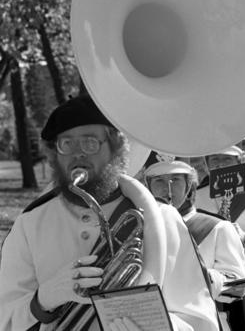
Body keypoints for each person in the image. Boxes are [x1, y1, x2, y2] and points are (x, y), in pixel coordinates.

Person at [0, 94, 220, 331]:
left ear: (117, 149)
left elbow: (200, 320)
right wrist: (44, 299)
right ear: (55, 155)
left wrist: (161, 326)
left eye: (90, 142)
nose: (78, 153)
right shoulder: (30, 224)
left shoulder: (163, 219)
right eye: (67, 144)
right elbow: (7, 319)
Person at [143, 159, 245, 331]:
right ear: (148, 187)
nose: (167, 188)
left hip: (200, 324)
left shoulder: (217, 227)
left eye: (176, 180)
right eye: (159, 180)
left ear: (190, 187)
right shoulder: (141, 227)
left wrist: (199, 275)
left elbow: (240, 286)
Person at [196, 146, 245, 331]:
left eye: (226, 159)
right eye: (214, 159)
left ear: (241, 162)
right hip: (208, 284)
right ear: (206, 165)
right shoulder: (196, 197)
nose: (220, 164)